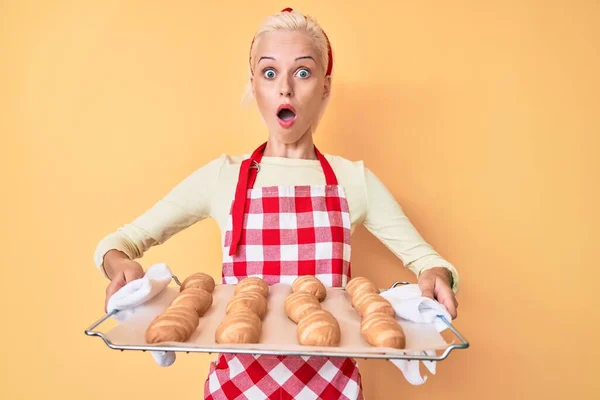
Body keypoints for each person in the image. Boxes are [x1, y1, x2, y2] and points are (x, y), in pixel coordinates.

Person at [95, 7, 460, 400]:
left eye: (302, 72)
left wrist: (437, 276)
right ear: (254, 86)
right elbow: (118, 244)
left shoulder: (353, 181)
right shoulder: (224, 177)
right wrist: (120, 265)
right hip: (236, 387)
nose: (285, 88)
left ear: (324, 87)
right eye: (270, 73)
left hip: (332, 388)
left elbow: (431, 263)